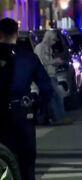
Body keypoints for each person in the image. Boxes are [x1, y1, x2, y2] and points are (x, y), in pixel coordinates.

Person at [0, 18, 53, 180]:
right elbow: (46, 88)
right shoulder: (28, 57)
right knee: (27, 161)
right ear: (17, 33)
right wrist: (38, 110)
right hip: (22, 113)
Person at [34, 30, 72, 125]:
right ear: (48, 39)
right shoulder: (40, 48)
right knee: (56, 96)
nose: (54, 42)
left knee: (55, 97)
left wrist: (56, 63)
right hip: (46, 76)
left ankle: (59, 117)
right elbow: (41, 62)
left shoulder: (48, 48)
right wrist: (54, 61)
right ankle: (58, 118)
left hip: (52, 74)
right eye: (53, 40)